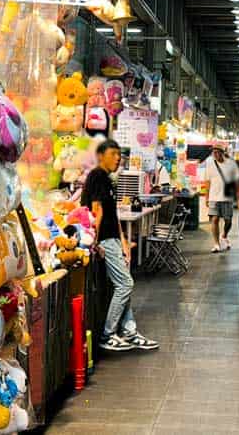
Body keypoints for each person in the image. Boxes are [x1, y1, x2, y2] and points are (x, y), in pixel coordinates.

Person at [82, 139, 160, 351]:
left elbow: (111, 213)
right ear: (101, 156)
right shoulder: (98, 176)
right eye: (113, 154)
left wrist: (124, 241)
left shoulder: (108, 179)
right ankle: (108, 334)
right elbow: (96, 211)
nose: (118, 158)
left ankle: (129, 331)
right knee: (125, 284)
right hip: (105, 240)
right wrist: (94, 241)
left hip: (114, 238)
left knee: (123, 285)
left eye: (119, 155)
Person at [200, 144, 239, 253]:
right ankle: (216, 243)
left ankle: (224, 235)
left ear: (223, 153)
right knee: (215, 219)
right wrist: (207, 197)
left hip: (227, 197)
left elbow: (236, 180)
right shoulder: (209, 163)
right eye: (214, 152)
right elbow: (207, 180)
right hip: (214, 196)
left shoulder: (231, 164)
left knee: (228, 220)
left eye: (218, 152)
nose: (216, 154)